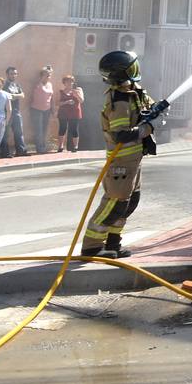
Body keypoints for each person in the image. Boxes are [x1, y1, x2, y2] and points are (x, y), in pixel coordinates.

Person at [80, 51, 162, 259]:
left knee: (129, 203)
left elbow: (148, 107)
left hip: (134, 160)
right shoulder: (119, 101)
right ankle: (92, 247)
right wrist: (148, 128)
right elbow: (121, 135)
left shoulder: (134, 91)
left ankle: (113, 244)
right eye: (132, 67)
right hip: (122, 162)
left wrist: (157, 110)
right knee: (115, 204)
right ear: (123, 72)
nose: (136, 70)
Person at [0, 66, 27, 158]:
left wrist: (14, 95)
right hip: (6, 112)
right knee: (5, 133)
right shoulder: (4, 85)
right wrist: (16, 95)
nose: (13, 75)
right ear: (7, 74)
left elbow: (22, 95)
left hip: (16, 111)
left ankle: (21, 151)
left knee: (19, 132)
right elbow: (8, 97)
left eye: (15, 74)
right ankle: (5, 153)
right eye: (11, 74)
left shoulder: (17, 85)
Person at [28, 66, 55, 154]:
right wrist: (44, 75)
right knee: (38, 130)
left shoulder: (50, 85)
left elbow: (51, 98)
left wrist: (53, 109)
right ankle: (39, 148)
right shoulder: (38, 84)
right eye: (46, 75)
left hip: (47, 110)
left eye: (49, 75)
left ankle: (43, 146)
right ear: (42, 75)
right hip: (37, 110)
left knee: (44, 129)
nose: (48, 77)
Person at [56, 75, 84, 152]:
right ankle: (60, 146)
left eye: (71, 81)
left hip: (75, 113)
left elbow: (81, 101)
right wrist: (66, 102)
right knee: (62, 128)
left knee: (74, 129)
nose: (69, 83)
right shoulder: (61, 92)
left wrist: (76, 94)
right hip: (63, 113)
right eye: (67, 82)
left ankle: (75, 147)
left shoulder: (78, 90)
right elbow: (57, 103)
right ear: (64, 83)